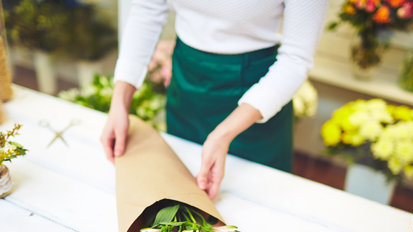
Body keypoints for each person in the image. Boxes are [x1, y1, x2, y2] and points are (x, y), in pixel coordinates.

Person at [101, 0, 328, 199]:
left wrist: (224, 134)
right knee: (181, 195)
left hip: (256, 95)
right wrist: (119, 102)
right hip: (187, 79)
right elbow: (147, 9)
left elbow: (296, 59)